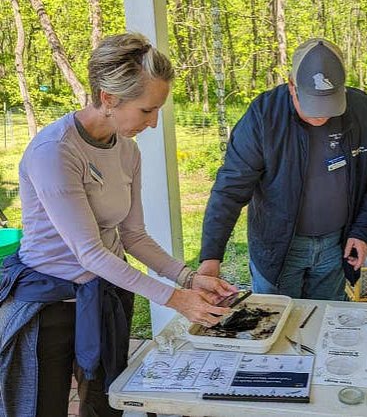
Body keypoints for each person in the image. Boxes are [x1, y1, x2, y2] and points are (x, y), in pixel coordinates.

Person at [0, 33, 237, 417]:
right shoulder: (55, 151)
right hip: (48, 306)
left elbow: (132, 235)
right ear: (109, 98)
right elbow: (89, 252)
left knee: (106, 406)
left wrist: (189, 279)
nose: (154, 122)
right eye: (147, 110)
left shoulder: (127, 148)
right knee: (39, 407)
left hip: (103, 297)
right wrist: (175, 299)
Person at [199, 38, 367, 301]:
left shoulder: (362, 110)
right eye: (312, 106)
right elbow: (230, 189)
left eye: (329, 106)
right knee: (277, 323)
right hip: (279, 248)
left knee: (324, 321)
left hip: (336, 246)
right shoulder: (263, 116)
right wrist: (211, 257)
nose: (321, 117)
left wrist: (361, 230)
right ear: (291, 86)